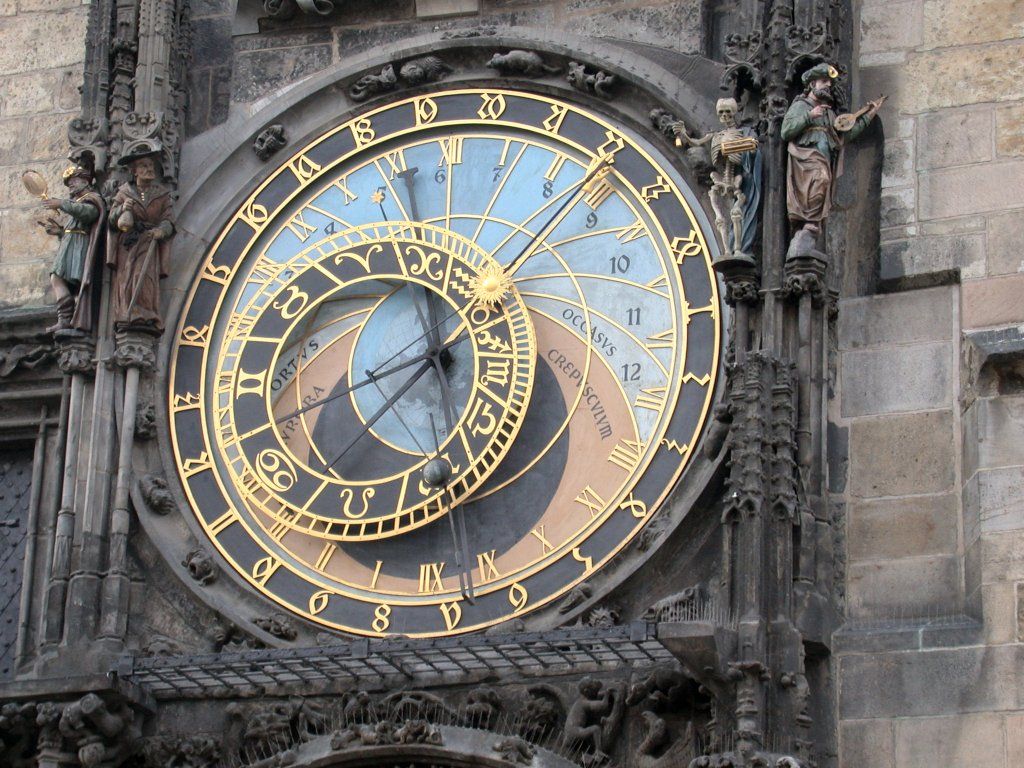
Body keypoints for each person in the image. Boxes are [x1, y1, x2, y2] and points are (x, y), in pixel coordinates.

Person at [781, 63, 882, 234]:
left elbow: (844, 136)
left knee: (823, 181)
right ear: (813, 84)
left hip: (825, 156)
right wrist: (809, 116)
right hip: (806, 156)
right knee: (821, 179)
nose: (828, 85)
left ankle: (812, 221)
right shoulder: (801, 105)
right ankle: (808, 220)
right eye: (823, 81)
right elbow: (786, 131)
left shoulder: (829, 112)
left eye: (829, 82)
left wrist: (869, 115)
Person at [107, 141, 175, 332]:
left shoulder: (161, 194)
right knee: (128, 276)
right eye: (144, 166)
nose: (149, 169)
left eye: (151, 166)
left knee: (145, 278)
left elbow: (168, 220)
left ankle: (147, 313)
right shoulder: (124, 193)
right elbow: (112, 220)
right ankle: (127, 312)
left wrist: (162, 230)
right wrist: (122, 208)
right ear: (134, 170)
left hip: (150, 241)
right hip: (128, 244)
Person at [40, 166, 105, 333]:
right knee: (58, 278)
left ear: (85, 181)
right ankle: (66, 318)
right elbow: (74, 227)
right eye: (69, 183)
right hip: (71, 245)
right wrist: (59, 231)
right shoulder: (77, 202)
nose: (71, 185)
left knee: (60, 279)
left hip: (79, 248)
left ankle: (68, 318)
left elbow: (89, 214)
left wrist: (61, 203)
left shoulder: (91, 198)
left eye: (74, 181)